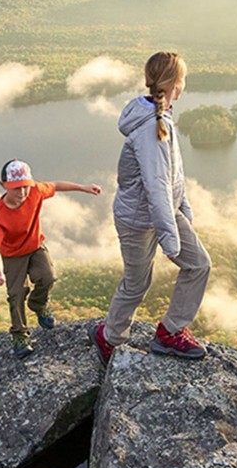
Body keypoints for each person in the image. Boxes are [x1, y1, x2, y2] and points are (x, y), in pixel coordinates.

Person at [90, 51, 212, 363]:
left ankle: (170, 330)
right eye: (182, 79)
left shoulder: (160, 118)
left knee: (198, 263)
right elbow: (157, 186)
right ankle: (110, 337)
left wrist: (182, 209)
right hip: (138, 220)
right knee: (137, 283)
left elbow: (173, 174)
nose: (184, 85)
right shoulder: (150, 128)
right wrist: (171, 239)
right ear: (174, 84)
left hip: (162, 215)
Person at [0, 158, 102, 357]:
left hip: (35, 246)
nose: (22, 193)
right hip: (13, 256)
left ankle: (39, 304)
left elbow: (56, 185)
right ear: (3, 185)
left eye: (25, 187)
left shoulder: (36, 191)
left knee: (48, 276)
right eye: (16, 188)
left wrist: (84, 188)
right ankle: (20, 335)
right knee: (16, 294)